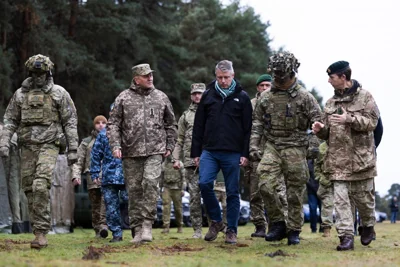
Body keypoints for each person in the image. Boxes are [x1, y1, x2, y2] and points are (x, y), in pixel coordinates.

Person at [0, 54, 78, 249]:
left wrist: (73, 150)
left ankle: (41, 233)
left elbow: (70, 121)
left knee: (40, 185)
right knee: (29, 190)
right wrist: (4, 142)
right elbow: (10, 120)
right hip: (27, 147)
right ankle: (37, 230)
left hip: (49, 145)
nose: (38, 77)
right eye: (35, 73)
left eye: (41, 73)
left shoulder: (58, 93)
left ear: (48, 72)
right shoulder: (20, 95)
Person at [250, 51, 322, 246]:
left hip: (296, 146)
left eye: (282, 75)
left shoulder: (304, 97)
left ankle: (294, 229)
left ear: (291, 73)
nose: (279, 79)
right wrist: (254, 145)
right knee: (264, 184)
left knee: (294, 192)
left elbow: (318, 122)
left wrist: (313, 146)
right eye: (276, 75)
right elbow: (257, 122)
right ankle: (278, 222)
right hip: (273, 145)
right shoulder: (266, 97)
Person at [313, 60, 379, 251]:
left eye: (331, 77)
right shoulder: (330, 102)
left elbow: (372, 123)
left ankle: (368, 226)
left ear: (343, 77)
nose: (328, 81)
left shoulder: (366, 97)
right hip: (338, 162)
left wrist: (349, 119)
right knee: (340, 200)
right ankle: (346, 237)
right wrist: (320, 129)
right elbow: (327, 133)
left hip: (361, 160)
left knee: (364, 201)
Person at [107, 63, 177, 243]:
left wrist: (170, 145)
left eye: (151, 75)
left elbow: (171, 124)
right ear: (136, 79)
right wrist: (115, 145)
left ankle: (147, 224)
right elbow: (113, 124)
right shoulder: (123, 98)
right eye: (146, 76)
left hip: (155, 150)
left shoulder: (161, 97)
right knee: (135, 191)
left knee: (151, 182)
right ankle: (137, 228)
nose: (150, 78)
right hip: (130, 152)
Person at [191, 60, 253, 244]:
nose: (223, 81)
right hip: (210, 151)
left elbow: (248, 128)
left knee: (232, 192)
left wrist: (245, 153)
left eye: (226, 77)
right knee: (203, 184)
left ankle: (231, 231)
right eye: (220, 77)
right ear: (216, 76)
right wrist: (196, 152)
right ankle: (217, 221)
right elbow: (198, 126)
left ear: (233, 76)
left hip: (233, 152)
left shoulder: (242, 97)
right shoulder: (208, 96)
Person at [172, 83, 205, 239]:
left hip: (211, 160)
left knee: (217, 195)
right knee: (194, 197)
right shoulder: (186, 116)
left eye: (200, 93)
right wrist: (176, 158)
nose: (197, 96)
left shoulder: (212, 111)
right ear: (191, 96)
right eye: (194, 94)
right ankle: (197, 230)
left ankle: (219, 226)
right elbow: (179, 139)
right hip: (191, 162)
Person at [90, 117, 127, 243]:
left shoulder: (130, 130)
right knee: (111, 207)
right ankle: (116, 233)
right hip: (109, 175)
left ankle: (136, 229)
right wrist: (95, 173)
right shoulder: (103, 134)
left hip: (128, 175)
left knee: (131, 203)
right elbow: (96, 154)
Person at [72, 116, 108, 238]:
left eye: (103, 122)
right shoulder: (87, 142)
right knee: (96, 204)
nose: (101, 125)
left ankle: (104, 225)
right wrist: (75, 176)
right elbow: (78, 160)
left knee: (106, 200)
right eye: (98, 123)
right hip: (91, 176)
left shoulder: (112, 139)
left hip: (108, 175)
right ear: (94, 125)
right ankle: (98, 229)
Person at [246, 74, 271, 238]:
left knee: (276, 191)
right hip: (254, 154)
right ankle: (260, 226)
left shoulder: (277, 102)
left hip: (273, 152)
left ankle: (280, 224)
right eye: (261, 85)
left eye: (267, 85)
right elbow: (243, 131)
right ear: (257, 88)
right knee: (255, 193)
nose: (264, 88)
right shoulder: (250, 105)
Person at [0, 125, 30, 234]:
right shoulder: (13, 133)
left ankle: (16, 223)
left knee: (13, 191)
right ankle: (20, 223)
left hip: (9, 163)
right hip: (16, 161)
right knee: (18, 191)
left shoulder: (5, 132)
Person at [160, 157, 185, 234]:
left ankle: (180, 226)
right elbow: (161, 177)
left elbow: (183, 176)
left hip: (177, 188)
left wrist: (183, 189)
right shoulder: (164, 164)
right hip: (167, 188)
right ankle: (166, 227)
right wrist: (160, 189)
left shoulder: (179, 163)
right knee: (166, 208)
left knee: (178, 208)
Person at [315, 142, 334, 237]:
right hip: (326, 181)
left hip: (343, 179)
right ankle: (327, 230)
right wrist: (320, 177)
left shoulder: (345, 141)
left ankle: (348, 231)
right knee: (327, 204)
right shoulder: (322, 147)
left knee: (346, 205)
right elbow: (317, 164)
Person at [306, 132, 322, 234]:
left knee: (322, 209)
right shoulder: (308, 162)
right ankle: (313, 228)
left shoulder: (322, 162)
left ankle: (322, 228)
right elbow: (307, 175)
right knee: (312, 209)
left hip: (321, 187)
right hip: (311, 189)